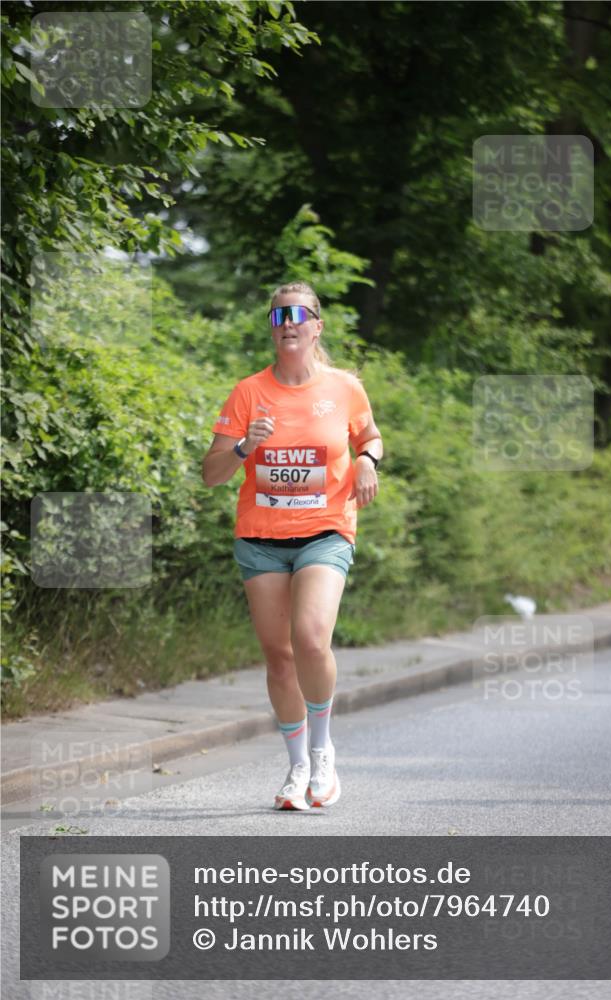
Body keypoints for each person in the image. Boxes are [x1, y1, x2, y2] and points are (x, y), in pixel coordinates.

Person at [202, 281, 382, 810]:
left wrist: (368, 461)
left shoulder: (344, 388)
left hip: (326, 529)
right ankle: (297, 765)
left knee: (309, 638)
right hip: (260, 538)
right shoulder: (248, 393)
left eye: (300, 314)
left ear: (317, 326)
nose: (289, 322)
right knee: (279, 658)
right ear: (272, 327)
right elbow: (212, 474)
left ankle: (324, 755)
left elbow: (368, 435)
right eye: (279, 315)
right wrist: (243, 445)